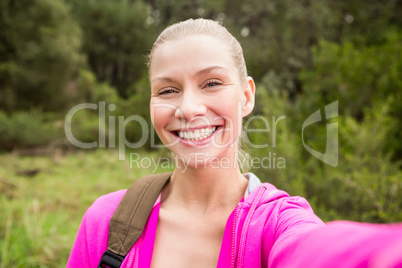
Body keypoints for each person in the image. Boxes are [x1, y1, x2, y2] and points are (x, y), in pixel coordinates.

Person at [67, 18, 402, 268]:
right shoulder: (106, 222)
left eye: (211, 83)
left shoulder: (278, 224)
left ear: (246, 96)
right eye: (168, 90)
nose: (189, 108)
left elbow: (319, 250)